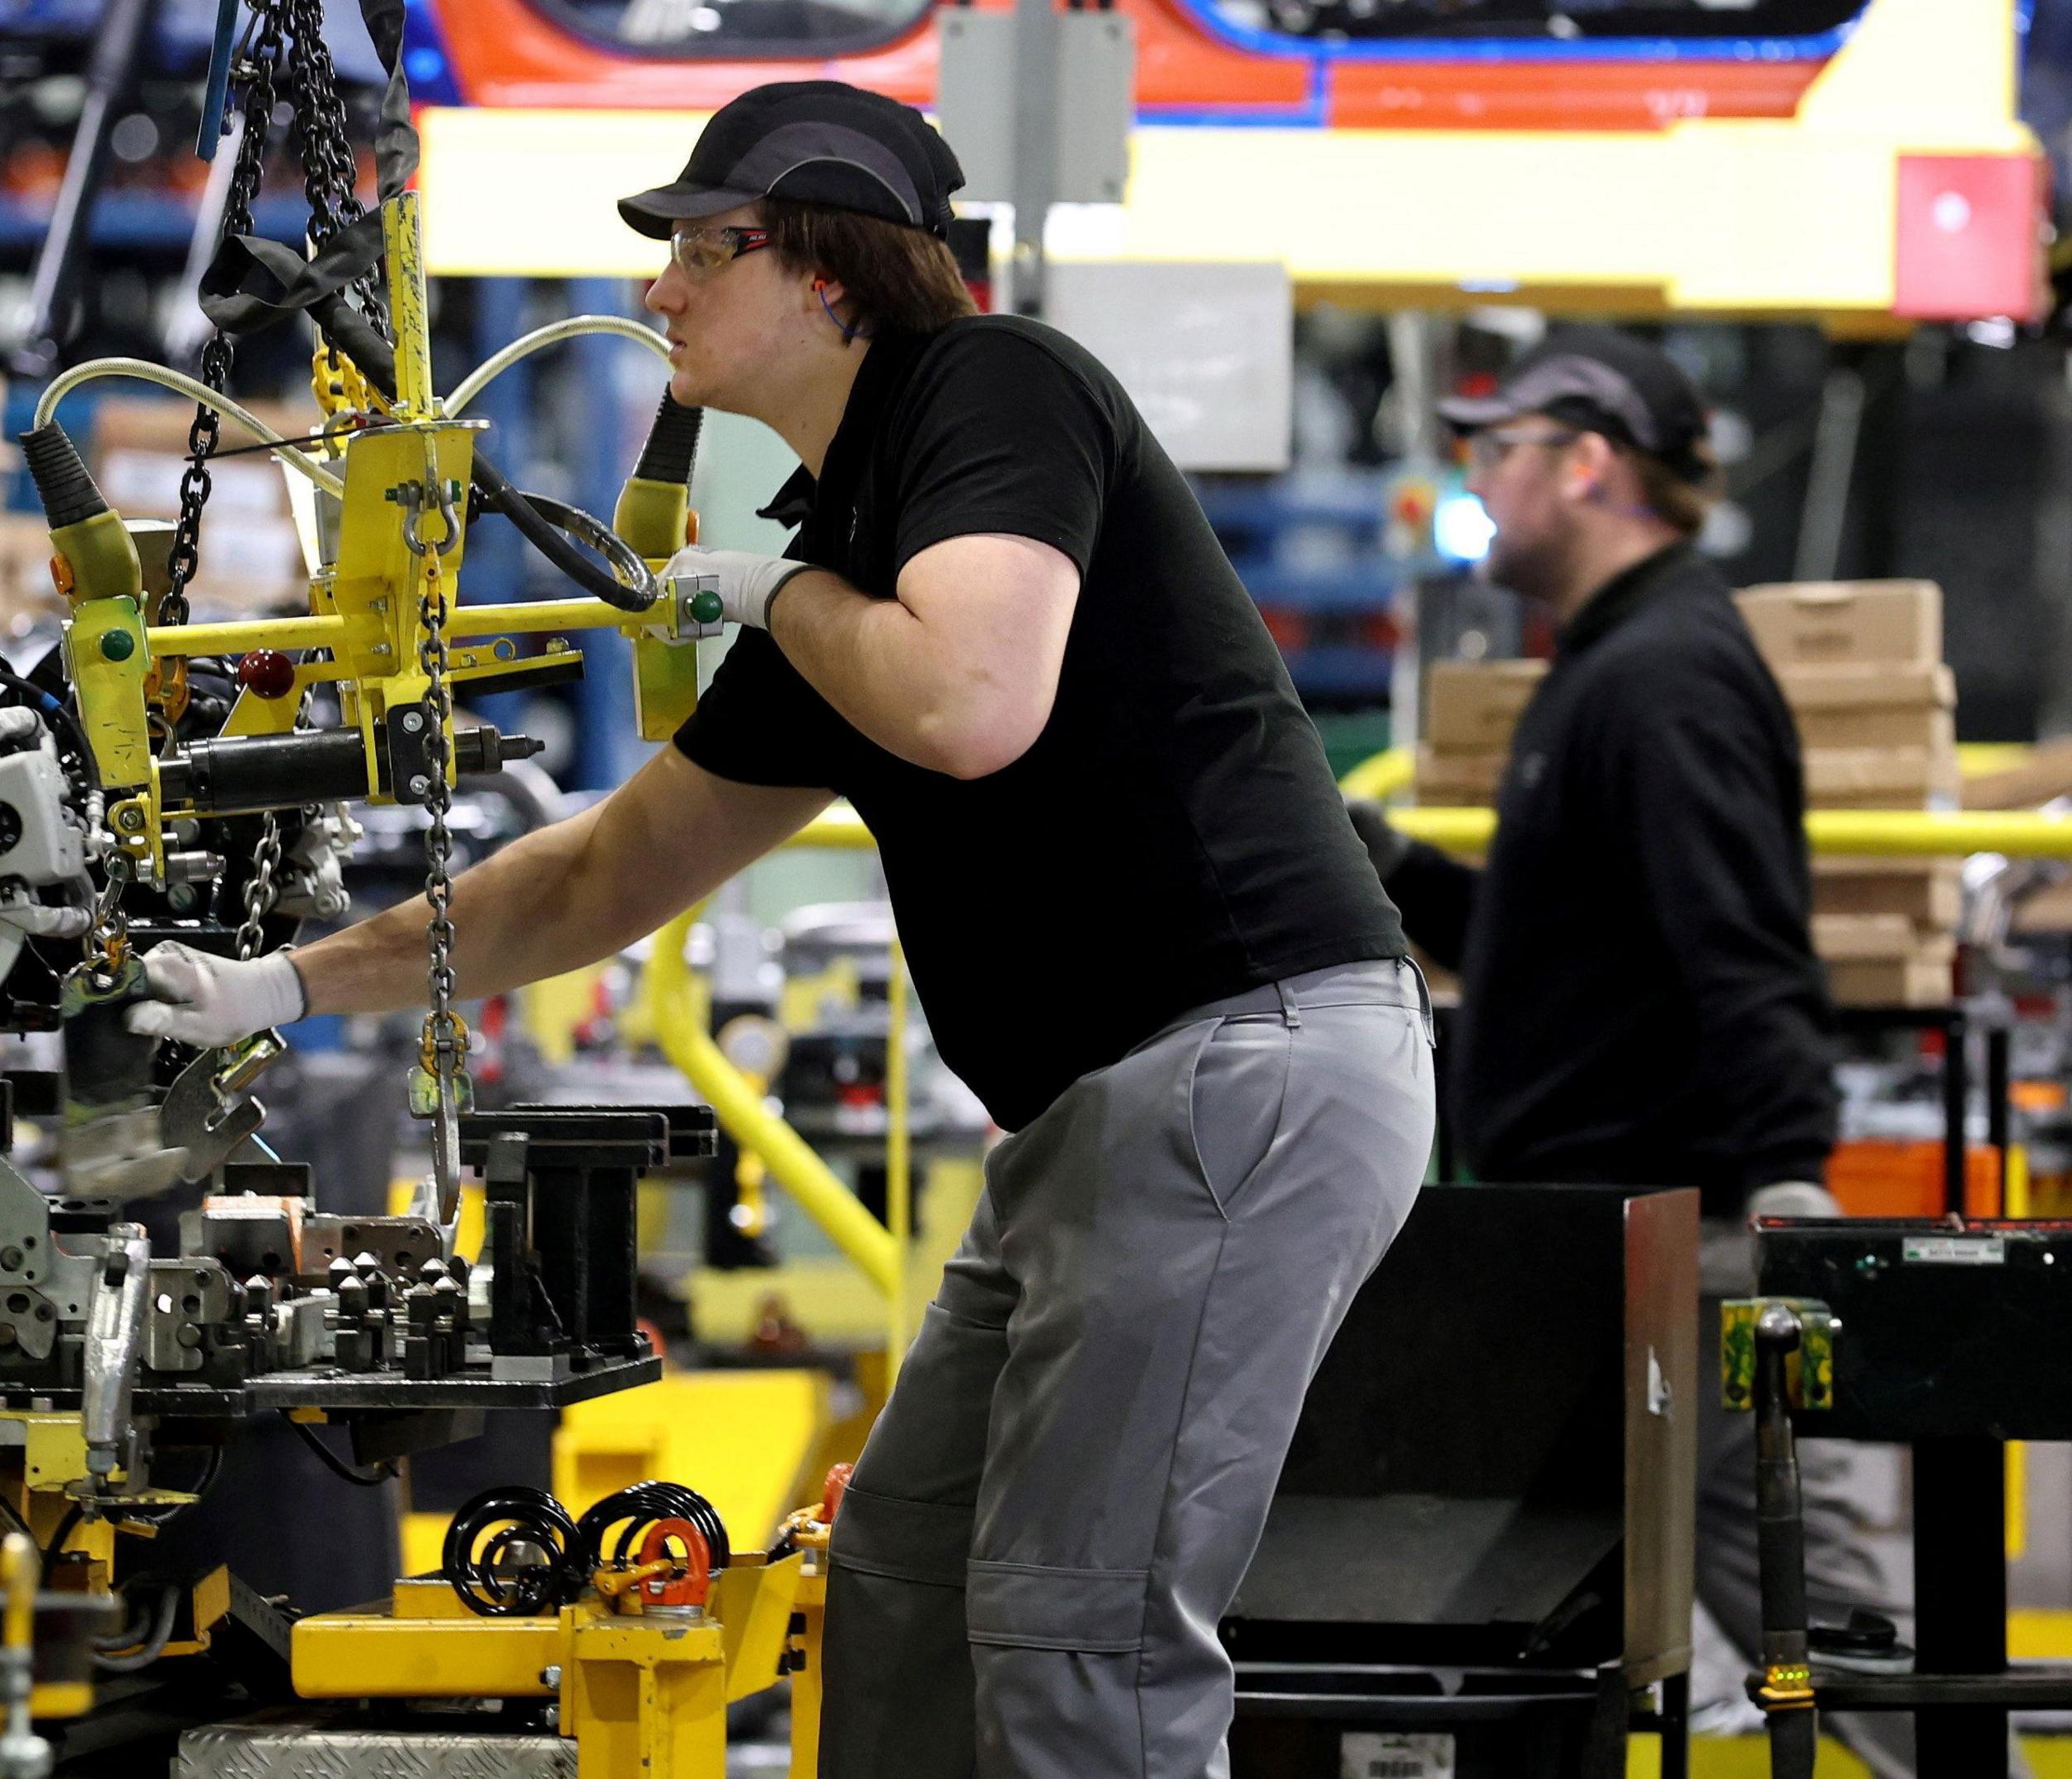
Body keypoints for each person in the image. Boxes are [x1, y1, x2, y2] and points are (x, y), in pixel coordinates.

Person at [129, 80, 1434, 1775]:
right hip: (1107, 1120)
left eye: (698, 248)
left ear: (826, 268)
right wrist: (286, 979)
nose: (660, 291)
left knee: (1074, 1634)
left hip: (1232, 1072)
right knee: (897, 1584)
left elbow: (972, 703)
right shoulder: (853, 553)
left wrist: (770, 589)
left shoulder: (995, 385)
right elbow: (603, 875)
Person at [1352, 326, 1946, 1776]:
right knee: (1586, 1604)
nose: (1480, 477)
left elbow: (1739, 938)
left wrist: (1788, 1177)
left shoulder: (1668, 672)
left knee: (1788, 1602)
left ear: (1591, 462)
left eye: (1502, 450)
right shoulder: (1612, 666)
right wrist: (1371, 858)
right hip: (1597, 1229)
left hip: (1671, 1229)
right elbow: (1553, 948)